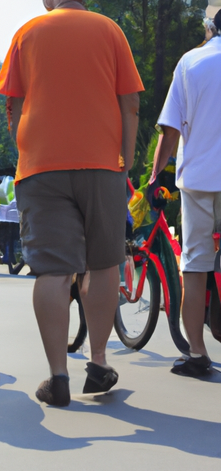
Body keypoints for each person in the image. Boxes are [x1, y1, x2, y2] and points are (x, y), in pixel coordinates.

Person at [0, 0, 143, 406]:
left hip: (41, 169)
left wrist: (29, 148)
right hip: (102, 165)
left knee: (53, 272)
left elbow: (15, 106)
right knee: (104, 262)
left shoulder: (27, 34)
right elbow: (130, 102)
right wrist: (124, 163)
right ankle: (97, 362)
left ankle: (58, 377)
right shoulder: (109, 30)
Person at [150, 8, 221, 377]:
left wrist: (153, 175)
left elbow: (170, 129)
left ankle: (196, 353)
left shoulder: (191, 62)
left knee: (194, 265)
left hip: (198, 181)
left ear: (211, 27)